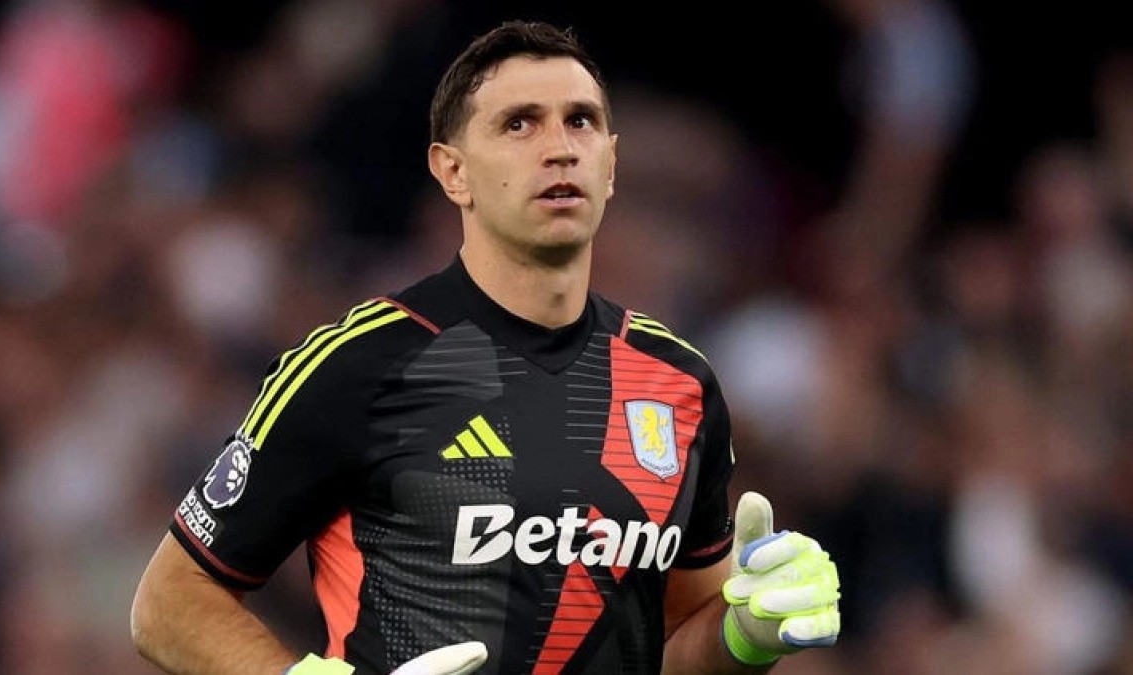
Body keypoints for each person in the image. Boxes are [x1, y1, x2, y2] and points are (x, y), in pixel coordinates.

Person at [130, 19, 840, 674]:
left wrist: (745, 634)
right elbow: (170, 601)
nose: (559, 147)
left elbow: (671, 646)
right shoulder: (359, 364)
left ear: (610, 164)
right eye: (518, 123)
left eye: (581, 121)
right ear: (453, 171)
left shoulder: (679, 382)